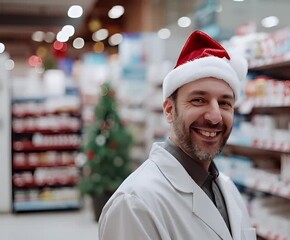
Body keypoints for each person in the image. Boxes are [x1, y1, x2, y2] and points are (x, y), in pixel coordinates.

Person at [98, 30, 256, 240]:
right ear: (169, 110)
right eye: (198, 100)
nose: (215, 117)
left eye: (225, 103)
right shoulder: (135, 204)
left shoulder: (228, 190)